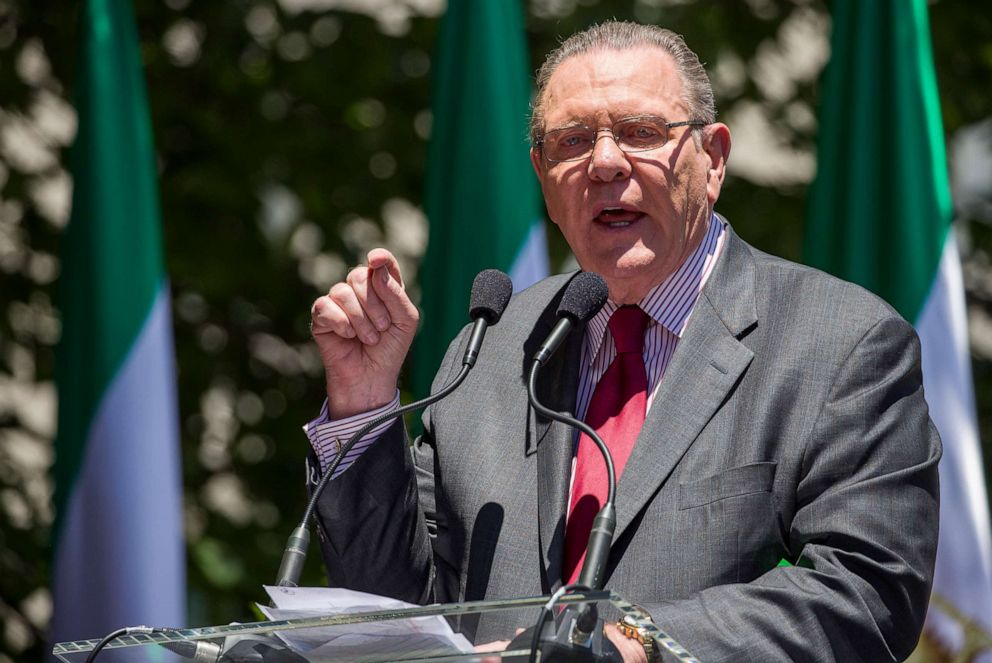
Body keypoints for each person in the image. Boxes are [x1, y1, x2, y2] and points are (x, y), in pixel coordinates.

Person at [304, 21, 940, 662]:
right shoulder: (493, 348)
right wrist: (362, 405)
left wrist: (635, 646)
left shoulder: (841, 343)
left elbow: (866, 590)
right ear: (543, 176)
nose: (604, 163)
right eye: (573, 142)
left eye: (641, 133)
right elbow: (391, 617)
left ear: (713, 159)